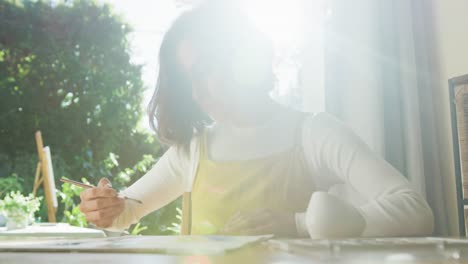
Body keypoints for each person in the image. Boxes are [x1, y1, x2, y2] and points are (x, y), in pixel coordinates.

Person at [78, 0, 434, 238]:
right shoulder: (194, 151)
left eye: (205, 71)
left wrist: (299, 225)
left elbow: (415, 210)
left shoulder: (313, 134)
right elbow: (123, 214)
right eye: (188, 79)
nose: (197, 93)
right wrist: (105, 207)